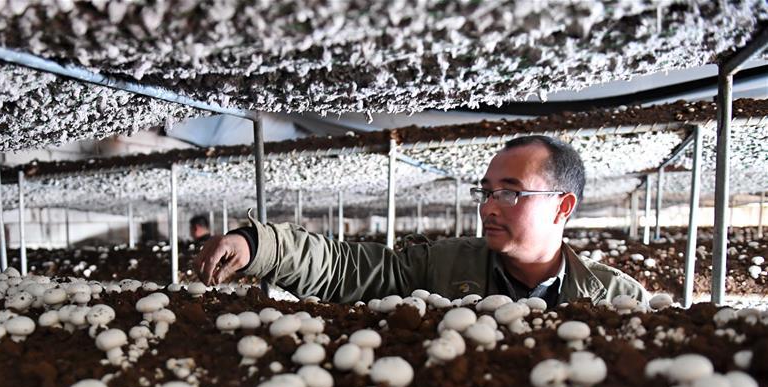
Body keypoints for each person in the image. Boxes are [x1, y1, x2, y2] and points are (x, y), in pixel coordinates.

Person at [193, 135, 648, 307]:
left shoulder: (619, 300)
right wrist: (259, 246)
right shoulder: (442, 266)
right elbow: (345, 268)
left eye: (508, 193)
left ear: (562, 206)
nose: (488, 206)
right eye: (486, 192)